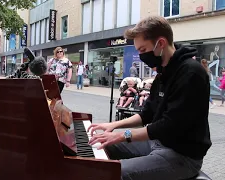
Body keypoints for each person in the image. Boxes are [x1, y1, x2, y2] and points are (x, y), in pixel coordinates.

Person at [87, 16, 211, 180]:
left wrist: (122, 135)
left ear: (160, 43)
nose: (141, 56)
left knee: (115, 173)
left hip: (183, 155)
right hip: (157, 143)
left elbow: (168, 125)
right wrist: (114, 125)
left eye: (143, 50)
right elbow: (147, 114)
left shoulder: (190, 73)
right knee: (99, 148)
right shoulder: (163, 72)